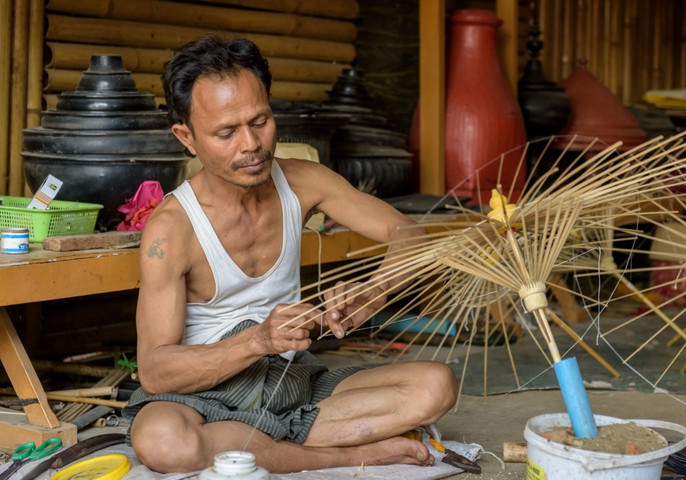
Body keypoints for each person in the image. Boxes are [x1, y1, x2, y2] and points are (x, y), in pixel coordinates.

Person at [121, 35, 458, 474]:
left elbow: (409, 232)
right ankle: (354, 453)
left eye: (260, 121)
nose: (251, 145)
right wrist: (258, 339)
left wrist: (375, 290)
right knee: (163, 441)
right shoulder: (172, 229)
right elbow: (155, 371)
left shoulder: (304, 182)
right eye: (226, 132)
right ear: (186, 137)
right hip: (199, 394)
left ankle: (256, 441)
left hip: (290, 382)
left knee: (436, 386)